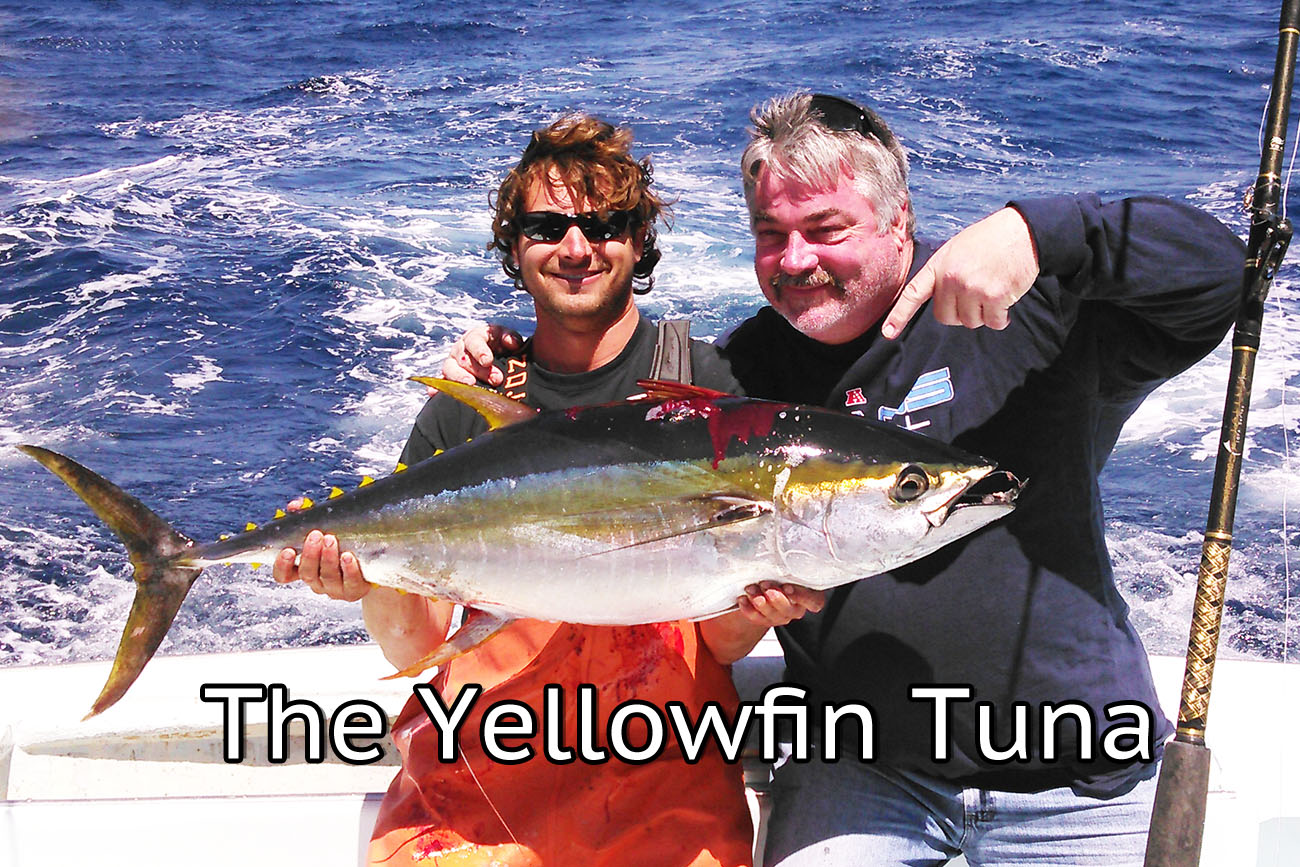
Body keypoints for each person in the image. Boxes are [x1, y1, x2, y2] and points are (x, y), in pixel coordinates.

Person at [446, 92, 1246, 865]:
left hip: (1076, 769)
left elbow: (1224, 280)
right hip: (857, 770)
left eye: (825, 229)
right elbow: (605, 444)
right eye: (770, 233)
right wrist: (510, 364)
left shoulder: (1021, 307)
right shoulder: (747, 367)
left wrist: (1039, 231)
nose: (795, 262)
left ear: (899, 218)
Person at [272, 113, 823, 867]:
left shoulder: (704, 391)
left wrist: (765, 606)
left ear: (638, 242)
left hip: (664, 786)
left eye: (604, 225)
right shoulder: (470, 401)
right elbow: (420, 639)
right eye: (546, 224)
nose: (576, 247)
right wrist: (360, 577)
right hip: (477, 788)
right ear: (514, 245)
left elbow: (716, 639)